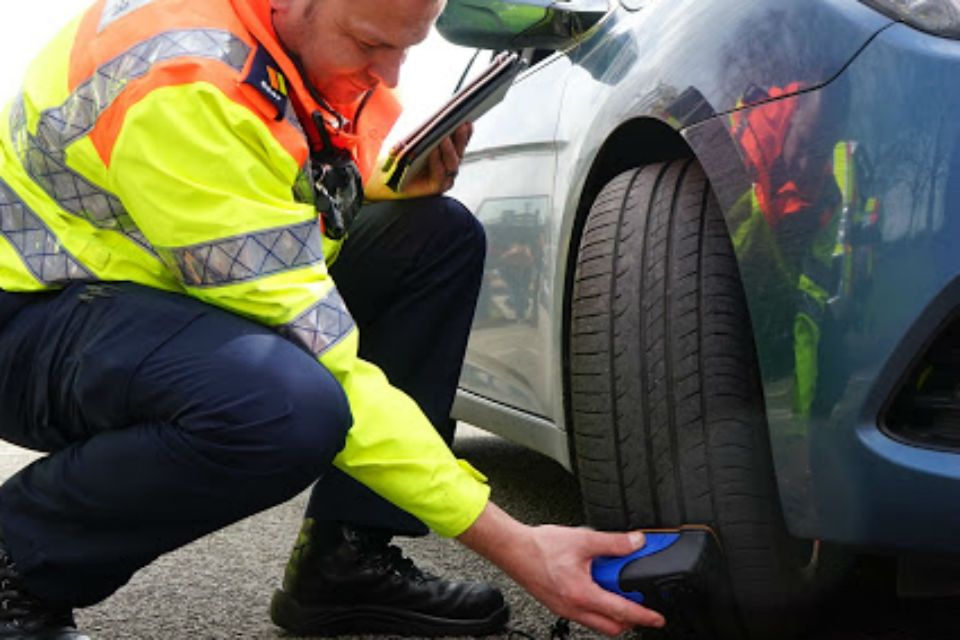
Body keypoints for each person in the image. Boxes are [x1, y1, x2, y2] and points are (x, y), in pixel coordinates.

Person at [0, 0, 667, 638]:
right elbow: (319, 349)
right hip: (32, 315)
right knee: (286, 407)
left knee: (432, 233)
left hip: (149, 289)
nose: (392, 74)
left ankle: (345, 561)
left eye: (408, 47)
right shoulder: (185, 79)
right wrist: (514, 542)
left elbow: (289, 179)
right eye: (372, 44)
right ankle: (20, 561)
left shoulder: (294, 44)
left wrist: (384, 181)